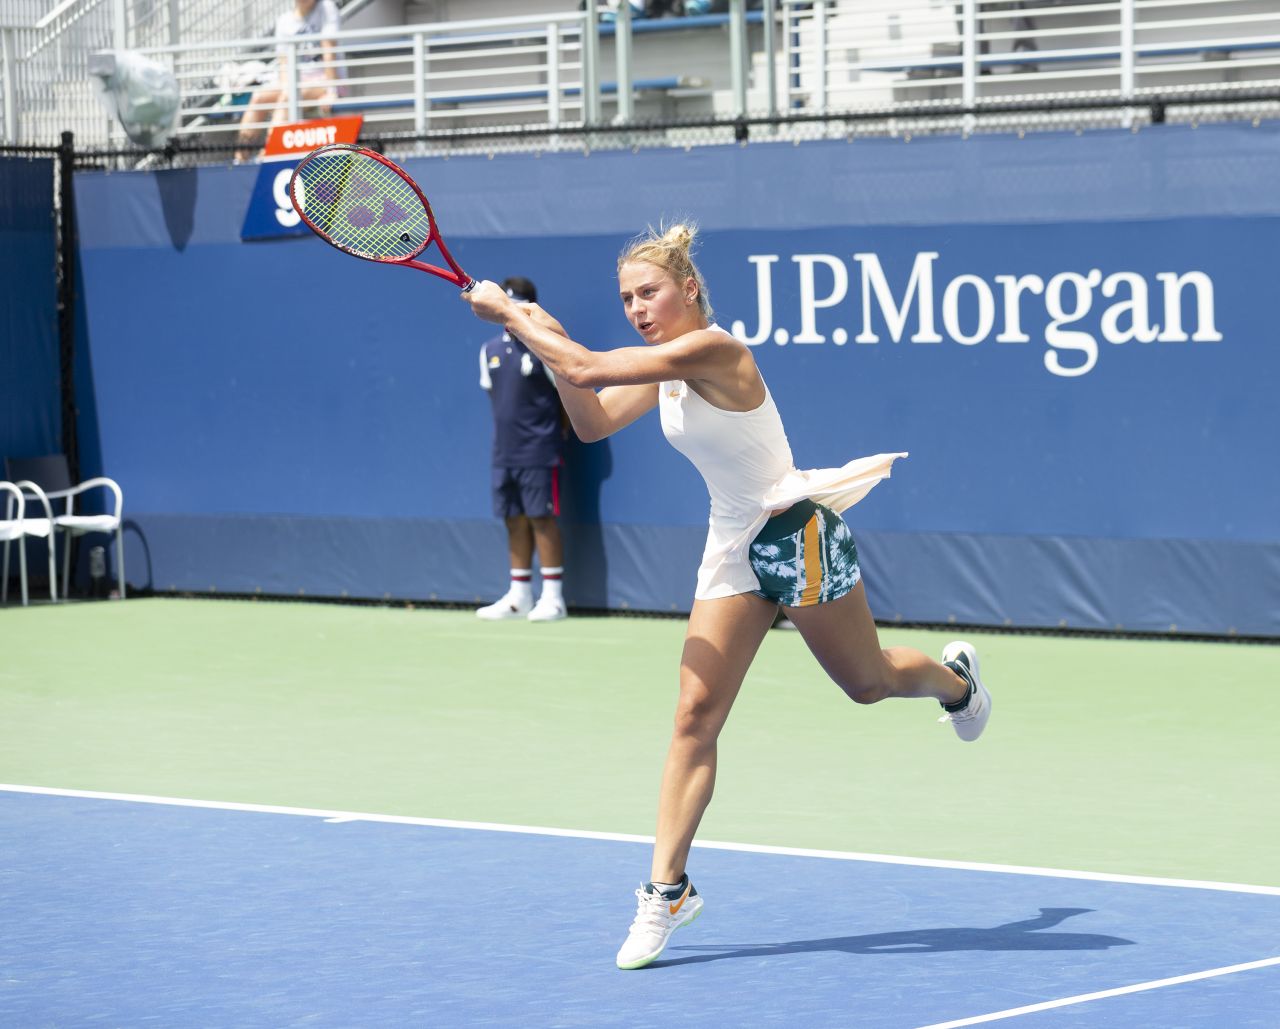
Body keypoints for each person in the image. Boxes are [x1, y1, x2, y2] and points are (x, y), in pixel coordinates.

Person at [461, 223, 993, 970]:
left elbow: (586, 368)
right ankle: (667, 889)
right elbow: (589, 416)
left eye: (649, 292)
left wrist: (518, 317)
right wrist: (542, 340)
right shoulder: (662, 367)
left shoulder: (718, 350)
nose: (638, 308)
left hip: (793, 527)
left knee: (866, 683)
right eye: (627, 299)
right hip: (732, 544)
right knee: (693, 714)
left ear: (689, 290)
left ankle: (958, 684)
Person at [474, 277, 569, 623]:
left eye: (516, 307)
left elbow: (566, 398)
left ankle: (554, 598)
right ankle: (519, 596)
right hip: (505, 452)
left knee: (542, 519)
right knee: (513, 519)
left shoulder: (546, 349)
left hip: (540, 451)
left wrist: (557, 435)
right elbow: (496, 401)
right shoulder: (489, 351)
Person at [234, 0, 343, 163]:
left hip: (324, 81)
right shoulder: (284, 21)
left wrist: (332, 91)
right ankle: (239, 159)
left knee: (288, 97)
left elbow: (329, 50)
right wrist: (287, 88)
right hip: (296, 84)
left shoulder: (326, 8)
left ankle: (268, 154)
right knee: (259, 97)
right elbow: (284, 66)